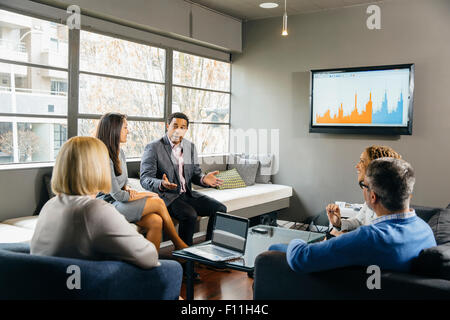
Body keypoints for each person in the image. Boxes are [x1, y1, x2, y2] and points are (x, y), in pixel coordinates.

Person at [270, 158, 436, 273]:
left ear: (373, 197)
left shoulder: (369, 237)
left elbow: (301, 258)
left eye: (364, 185)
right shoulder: (425, 229)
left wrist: (296, 240)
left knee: (274, 250)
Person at [30, 136, 159, 269]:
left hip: (48, 285)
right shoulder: (93, 209)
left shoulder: (50, 205)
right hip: (84, 286)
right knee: (171, 268)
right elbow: (150, 257)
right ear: (98, 168)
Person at [95, 112, 188, 251]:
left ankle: (151, 266)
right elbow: (117, 195)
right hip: (107, 206)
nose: (128, 131)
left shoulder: (120, 153)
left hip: (119, 202)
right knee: (157, 201)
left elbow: (123, 184)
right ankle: (179, 244)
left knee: (156, 221)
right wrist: (144, 195)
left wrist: (131, 191)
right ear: (114, 129)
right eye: (125, 127)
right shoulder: (103, 156)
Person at [140, 112, 227, 246]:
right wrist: (161, 184)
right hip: (167, 197)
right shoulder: (154, 147)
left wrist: (203, 179)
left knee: (220, 209)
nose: (178, 130)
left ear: (186, 130)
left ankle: (211, 250)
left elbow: (195, 174)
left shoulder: (190, 147)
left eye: (183, 127)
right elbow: (145, 178)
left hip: (187, 194)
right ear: (167, 126)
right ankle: (185, 256)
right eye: (175, 126)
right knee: (190, 215)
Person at [326, 145, 402, 236]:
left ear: (375, 167)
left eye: (362, 161)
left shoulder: (387, 205)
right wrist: (338, 223)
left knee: (333, 234)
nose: (357, 166)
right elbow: (358, 221)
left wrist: (342, 236)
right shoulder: (371, 195)